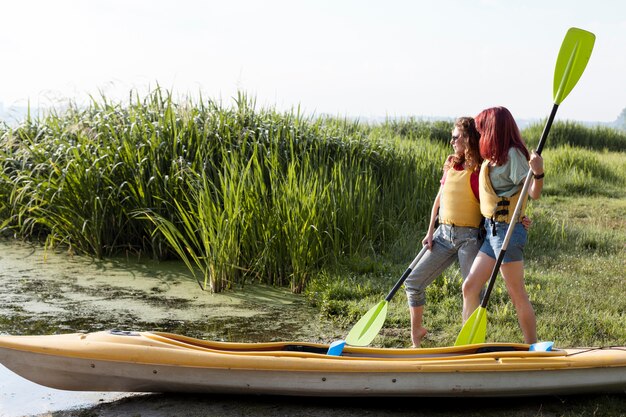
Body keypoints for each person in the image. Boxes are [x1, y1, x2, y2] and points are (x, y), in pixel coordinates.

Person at [461, 106, 544, 344]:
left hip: (508, 232)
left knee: (517, 294)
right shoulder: (492, 156)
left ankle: (532, 345)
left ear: (492, 129)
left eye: (481, 128)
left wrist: (538, 173)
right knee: (470, 287)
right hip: (491, 232)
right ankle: (470, 344)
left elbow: (533, 192)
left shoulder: (514, 155)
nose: (479, 133)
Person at [404, 117, 484, 347]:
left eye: (456, 137)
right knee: (413, 281)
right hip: (443, 235)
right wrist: (430, 232)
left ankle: (469, 342)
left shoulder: (480, 168)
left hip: (469, 238)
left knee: (472, 290)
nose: (452, 141)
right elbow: (438, 200)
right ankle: (416, 334)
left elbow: (489, 205)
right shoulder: (450, 163)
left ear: (468, 138)